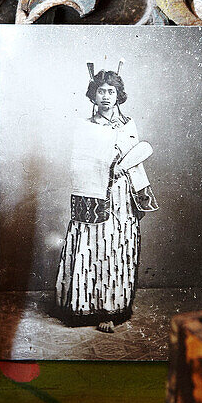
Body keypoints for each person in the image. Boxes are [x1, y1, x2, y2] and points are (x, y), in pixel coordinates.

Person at [54, 63, 157, 332]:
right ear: (93, 95)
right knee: (94, 246)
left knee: (117, 247)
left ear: (118, 95)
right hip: (97, 194)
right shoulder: (84, 127)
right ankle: (86, 305)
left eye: (111, 91)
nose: (106, 96)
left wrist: (123, 164)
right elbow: (81, 164)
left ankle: (110, 308)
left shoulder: (128, 124)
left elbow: (138, 154)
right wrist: (107, 167)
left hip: (123, 196)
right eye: (101, 91)